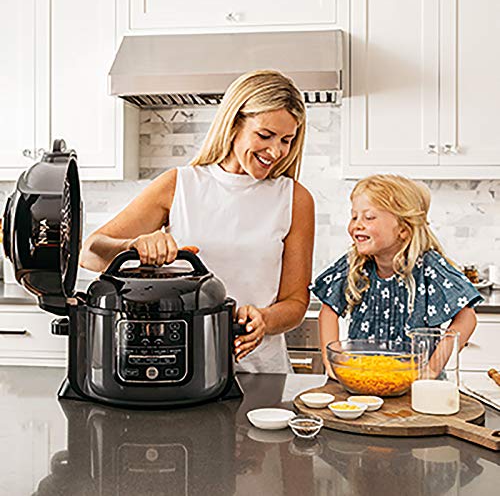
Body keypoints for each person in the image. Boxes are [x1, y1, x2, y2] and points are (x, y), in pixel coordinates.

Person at [80, 69, 315, 373]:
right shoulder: (179, 185)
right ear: (233, 124)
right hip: (184, 369)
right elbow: (89, 253)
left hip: (262, 373)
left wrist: (265, 320)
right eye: (265, 135)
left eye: (286, 140)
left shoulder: (294, 198)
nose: (276, 151)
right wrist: (134, 246)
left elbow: (295, 302)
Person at [310, 174, 482, 378]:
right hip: (364, 378)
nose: (357, 225)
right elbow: (329, 310)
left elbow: (467, 317)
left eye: (369, 217)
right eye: (354, 216)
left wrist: (432, 369)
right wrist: (333, 362)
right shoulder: (355, 264)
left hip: (415, 384)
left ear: (403, 229)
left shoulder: (428, 266)